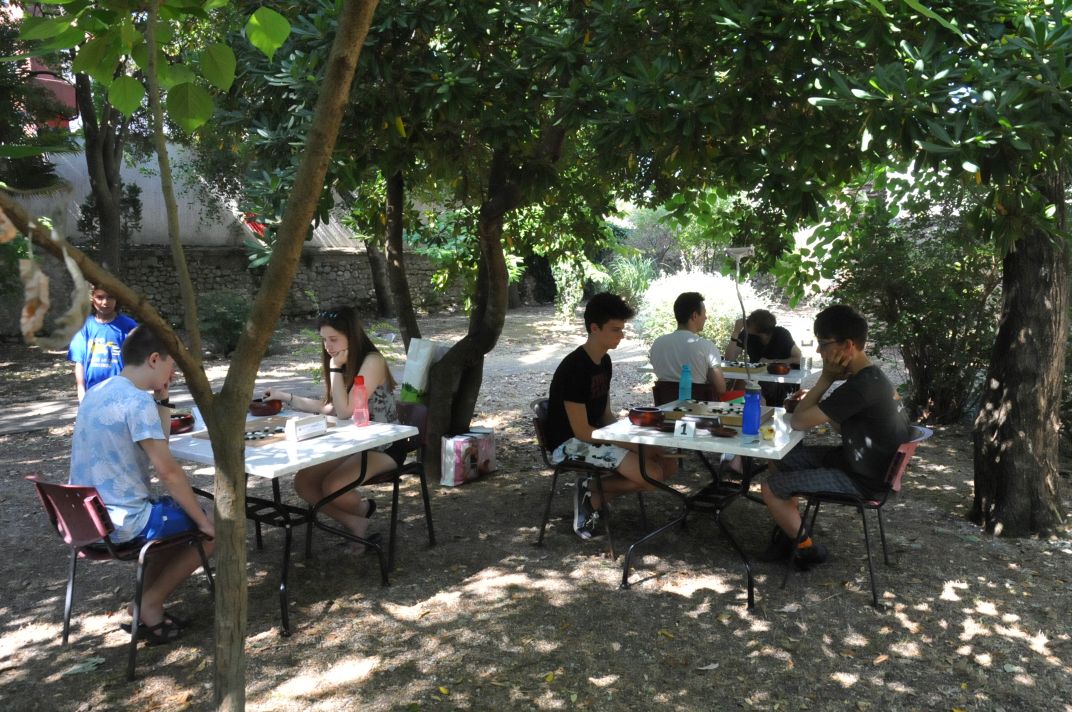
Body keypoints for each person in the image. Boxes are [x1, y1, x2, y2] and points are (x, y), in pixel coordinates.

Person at [69, 325, 215, 644]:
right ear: (153, 359)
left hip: (84, 520)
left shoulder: (97, 392)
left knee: (176, 521)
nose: (173, 371)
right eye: (171, 364)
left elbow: (158, 440)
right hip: (122, 523)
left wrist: (162, 398)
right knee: (212, 530)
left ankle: (143, 605)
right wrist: (205, 522)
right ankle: (150, 604)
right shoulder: (136, 403)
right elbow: (168, 472)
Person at [759, 304, 911, 569]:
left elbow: (798, 422)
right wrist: (823, 404)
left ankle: (808, 550)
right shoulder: (872, 378)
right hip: (865, 466)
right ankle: (790, 532)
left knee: (770, 488)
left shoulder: (861, 387)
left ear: (847, 345)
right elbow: (836, 424)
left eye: (823, 343)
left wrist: (826, 379)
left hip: (862, 480)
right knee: (781, 460)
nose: (818, 351)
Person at [262, 306, 400, 552]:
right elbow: (331, 407)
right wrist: (285, 396)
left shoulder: (372, 361)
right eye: (324, 340)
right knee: (303, 482)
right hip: (354, 443)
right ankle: (355, 522)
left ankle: (364, 509)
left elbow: (345, 411)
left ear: (351, 335)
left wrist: (336, 368)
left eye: (333, 339)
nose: (328, 346)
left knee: (333, 486)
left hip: (385, 445)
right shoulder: (344, 360)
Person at [546, 292, 678, 540]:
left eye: (622, 329)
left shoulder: (604, 361)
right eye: (616, 329)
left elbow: (605, 415)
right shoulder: (575, 368)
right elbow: (581, 432)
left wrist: (635, 437)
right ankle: (591, 489)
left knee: (668, 459)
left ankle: (594, 494)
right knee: (653, 475)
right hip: (569, 445)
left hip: (593, 436)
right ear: (595, 328)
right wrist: (625, 443)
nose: (622, 335)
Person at [649, 292, 727, 399]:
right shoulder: (706, 346)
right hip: (698, 412)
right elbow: (721, 388)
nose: (706, 317)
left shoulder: (657, 344)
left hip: (666, 410)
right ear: (694, 315)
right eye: (704, 313)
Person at [67, 284, 138, 401]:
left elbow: (139, 360)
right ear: (92, 298)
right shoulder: (84, 327)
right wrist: (81, 391)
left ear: (117, 299)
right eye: (100, 297)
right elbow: (79, 363)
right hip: (93, 392)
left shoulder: (129, 326)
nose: (105, 302)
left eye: (110, 297)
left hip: (122, 391)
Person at [724, 308, 802, 404]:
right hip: (754, 377)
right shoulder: (747, 334)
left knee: (755, 393)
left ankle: (757, 412)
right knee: (741, 384)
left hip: (778, 380)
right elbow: (729, 359)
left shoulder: (781, 334)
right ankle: (737, 412)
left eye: (750, 322)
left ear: (759, 328)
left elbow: (798, 358)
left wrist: (772, 362)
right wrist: (735, 332)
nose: (746, 323)